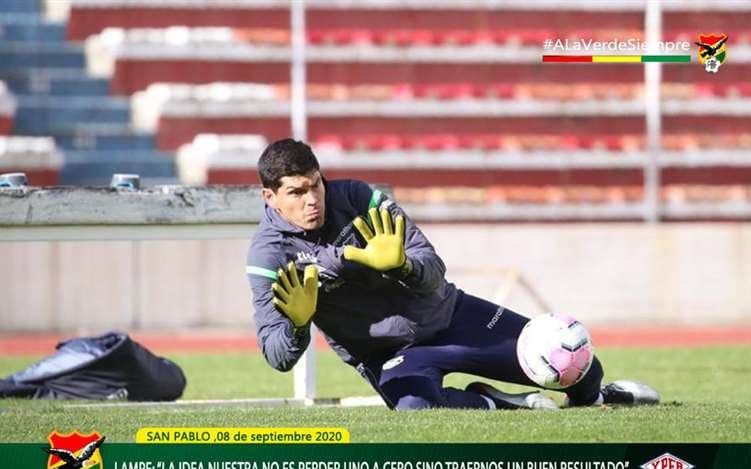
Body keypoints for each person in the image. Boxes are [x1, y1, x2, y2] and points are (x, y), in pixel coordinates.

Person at [246, 138, 659, 410]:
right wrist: (299, 325)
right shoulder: (268, 257)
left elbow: (433, 269)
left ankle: (602, 394)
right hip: (388, 355)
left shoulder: (359, 197)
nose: (312, 199)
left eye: (315, 185)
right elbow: (278, 356)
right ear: (270, 196)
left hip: (449, 315)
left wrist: (402, 266)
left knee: (575, 365)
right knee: (415, 408)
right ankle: (497, 403)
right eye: (296, 192)